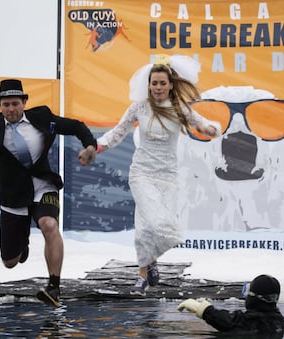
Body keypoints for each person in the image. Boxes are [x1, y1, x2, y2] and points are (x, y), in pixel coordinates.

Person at [78, 54, 221, 296]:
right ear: (149, 85)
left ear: (171, 84)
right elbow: (117, 132)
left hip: (168, 176)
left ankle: (150, 262)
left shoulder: (179, 109)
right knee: (149, 225)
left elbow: (201, 124)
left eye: (162, 83)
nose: (157, 87)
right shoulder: (139, 108)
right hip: (142, 173)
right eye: (154, 83)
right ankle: (143, 275)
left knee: (159, 227)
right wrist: (96, 147)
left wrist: (209, 129)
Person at [0, 79, 97, 306]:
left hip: (42, 185)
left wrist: (89, 146)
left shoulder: (43, 117)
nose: (10, 109)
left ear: (24, 102)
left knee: (49, 224)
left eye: (15, 104)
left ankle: (54, 287)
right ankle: (23, 243)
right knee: (10, 261)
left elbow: (76, 126)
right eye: (6, 104)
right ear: (0, 105)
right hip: (14, 195)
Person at [178, 274, 284, 336]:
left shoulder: (252, 321)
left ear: (254, 297)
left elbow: (230, 322)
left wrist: (202, 309)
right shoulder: (282, 322)